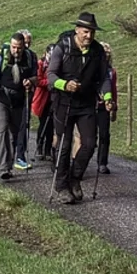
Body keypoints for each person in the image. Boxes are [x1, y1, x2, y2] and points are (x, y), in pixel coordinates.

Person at [47, 12, 114, 204]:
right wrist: (64, 84)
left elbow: (103, 78)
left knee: (90, 143)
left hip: (86, 103)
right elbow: (50, 75)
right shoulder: (63, 47)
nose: (89, 36)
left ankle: (74, 179)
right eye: (85, 32)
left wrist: (108, 98)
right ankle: (61, 186)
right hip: (64, 103)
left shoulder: (98, 51)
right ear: (77, 30)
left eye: (92, 32)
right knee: (65, 145)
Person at [0, 32, 38, 176]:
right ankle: (4, 168)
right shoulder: (2, 56)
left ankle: (9, 164)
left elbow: (36, 76)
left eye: (19, 48)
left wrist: (30, 81)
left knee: (14, 133)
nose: (16, 51)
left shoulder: (30, 57)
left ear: (24, 46)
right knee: (3, 127)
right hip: (1, 97)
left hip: (19, 100)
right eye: (13, 47)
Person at [96, 42, 119, 174]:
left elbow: (113, 89)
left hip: (105, 106)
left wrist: (114, 106)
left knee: (104, 134)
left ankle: (102, 162)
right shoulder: (93, 68)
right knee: (89, 137)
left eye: (107, 53)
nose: (106, 56)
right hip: (91, 105)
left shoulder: (111, 71)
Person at [31, 44, 56, 161]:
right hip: (42, 98)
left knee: (51, 125)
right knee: (43, 124)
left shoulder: (57, 64)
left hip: (53, 98)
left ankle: (48, 149)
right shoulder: (41, 64)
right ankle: (40, 146)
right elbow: (38, 80)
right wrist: (50, 82)